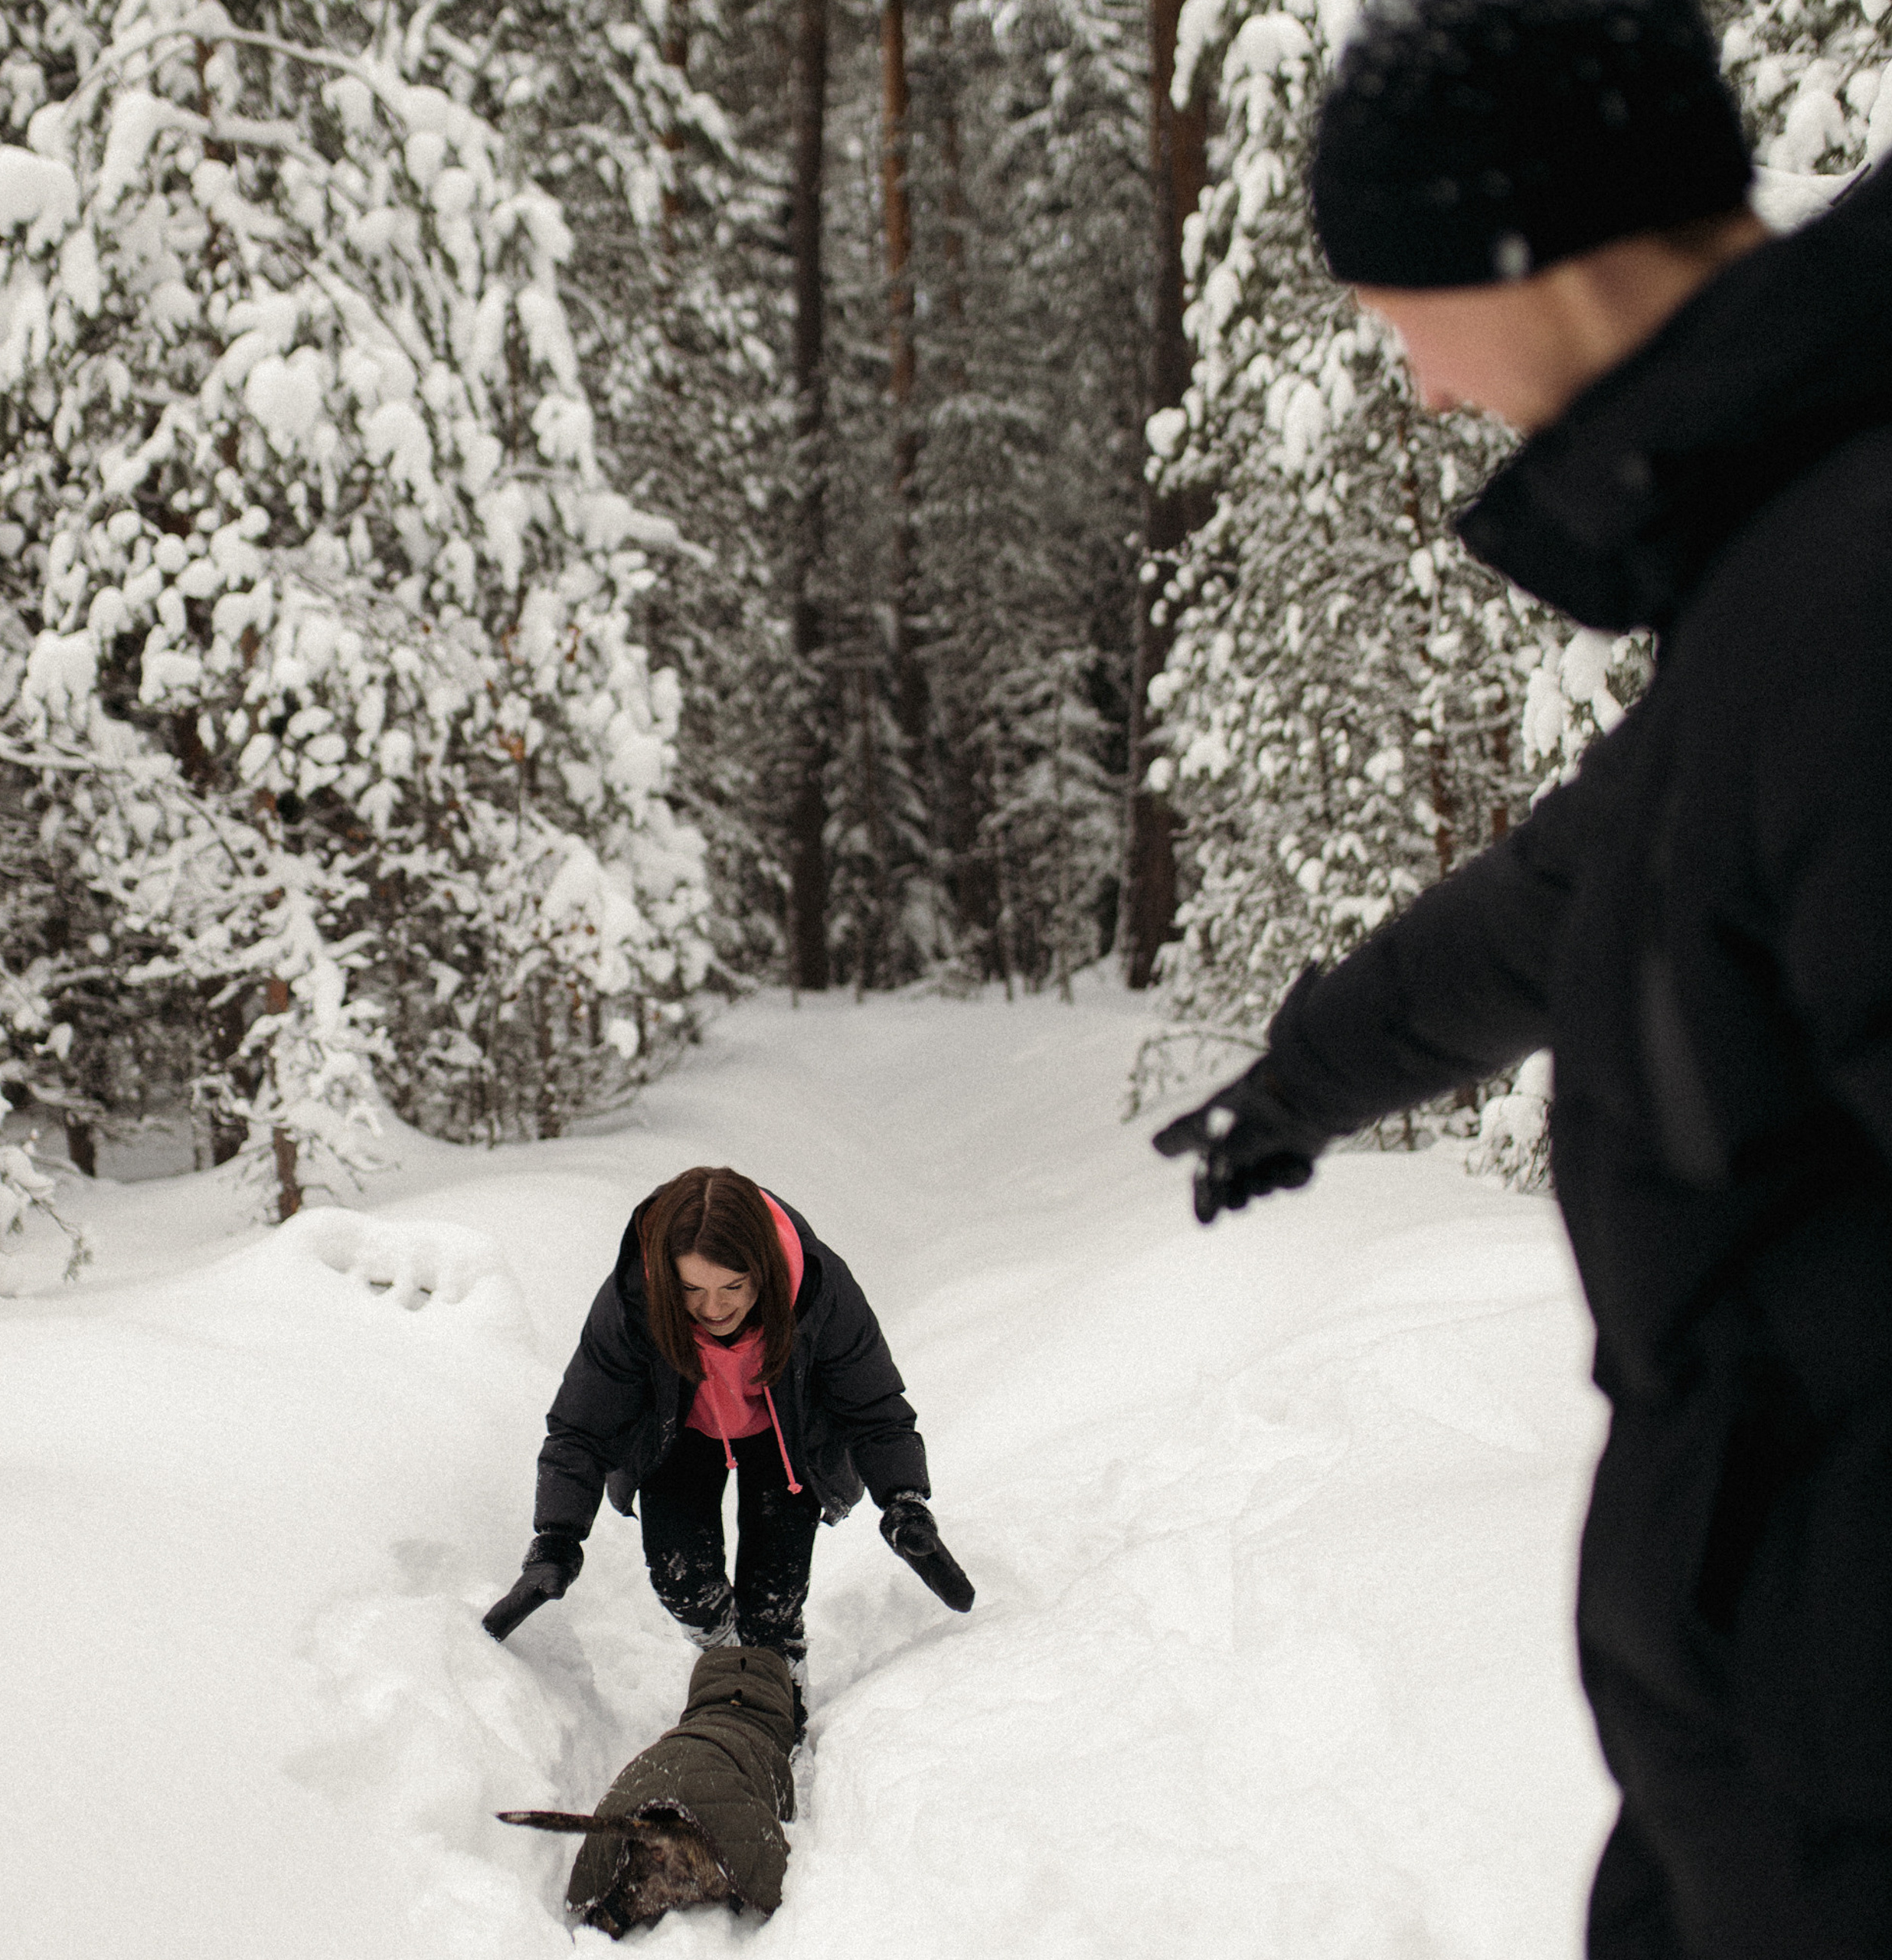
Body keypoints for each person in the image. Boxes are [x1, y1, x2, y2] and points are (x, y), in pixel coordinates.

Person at [1154, 2, 1892, 1953]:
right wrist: (1303, 1072)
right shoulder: (1772, 575)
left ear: (1524, 255)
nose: (1406, 383)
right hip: (1760, 1735)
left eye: (1397, 311)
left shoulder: (1845, 601)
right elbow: (1563, 894)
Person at [484, 1166, 973, 1726]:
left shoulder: (819, 1290)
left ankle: (773, 1664)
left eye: (732, 1288)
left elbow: (873, 1405)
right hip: (681, 1435)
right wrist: (556, 1536)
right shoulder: (635, 1300)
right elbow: (583, 1424)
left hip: (784, 1441)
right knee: (682, 1581)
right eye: (691, 1290)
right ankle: (726, 1654)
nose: (712, 1309)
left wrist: (904, 1500)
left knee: (775, 1600)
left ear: (762, 1272)